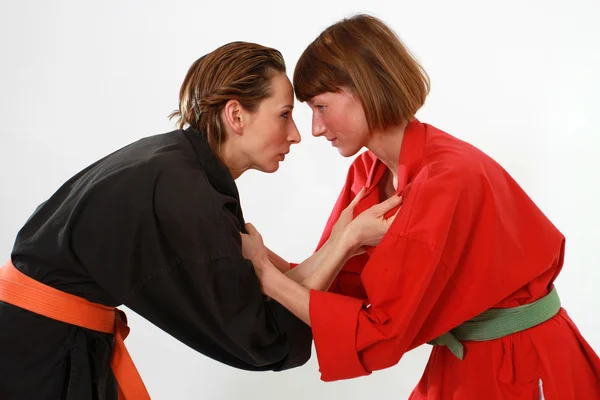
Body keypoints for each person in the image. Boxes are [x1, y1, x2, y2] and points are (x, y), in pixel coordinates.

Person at [0, 41, 401, 400]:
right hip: (37, 354)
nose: (297, 134)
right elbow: (262, 335)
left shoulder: (179, 164)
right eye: (284, 115)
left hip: (38, 337)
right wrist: (346, 243)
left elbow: (261, 291)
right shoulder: (183, 196)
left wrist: (342, 237)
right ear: (236, 116)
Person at [241, 14, 600, 399]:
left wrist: (267, 275)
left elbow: (382, 332)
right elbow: (337, 287)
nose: (314, 128)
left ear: (363, 90)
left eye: (321, 106)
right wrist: (254, 254)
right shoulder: (368, 173)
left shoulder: (447, 179)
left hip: (520, 365)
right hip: (464, 360)